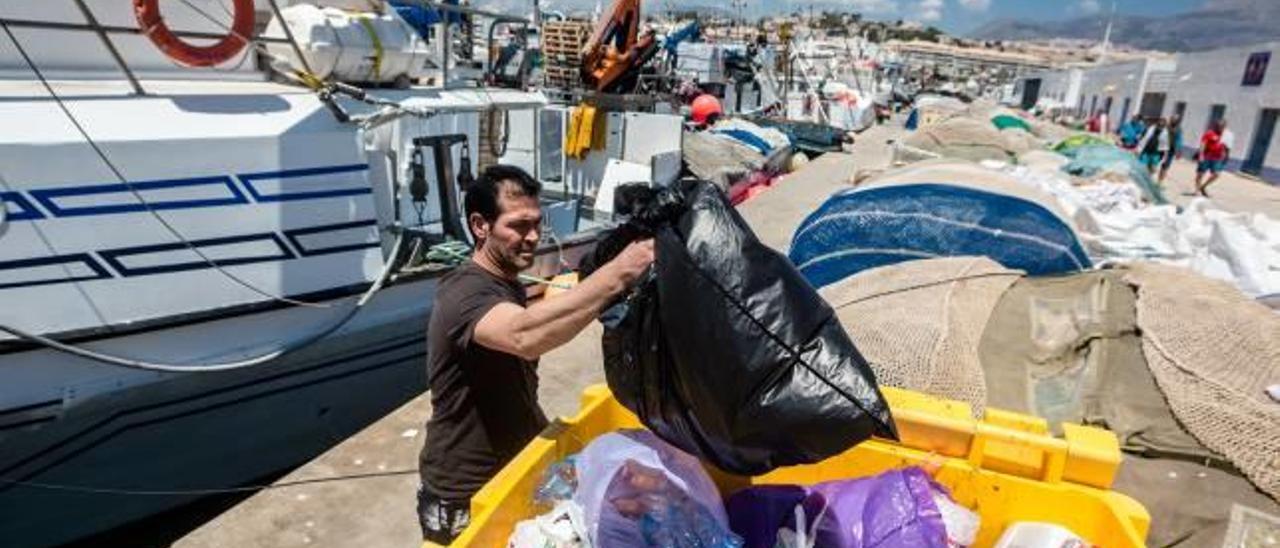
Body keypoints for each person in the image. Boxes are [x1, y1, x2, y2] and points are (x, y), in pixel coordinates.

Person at [417, 165, 654, 543]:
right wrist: (623, 270)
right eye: (518, 225)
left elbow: (516, 380)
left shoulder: (506, 283)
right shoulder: (463, 291)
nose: (531, 237)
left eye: (537, 224)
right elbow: (525, 335)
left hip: (512, 473)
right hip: (465, 494)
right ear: (481, 226)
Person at [1195, 119, 1230, 197]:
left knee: (1216, 174)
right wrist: (1201, 155)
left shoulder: (1225, 136)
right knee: (1200, 174)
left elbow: (1227, 147)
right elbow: (1203, 144)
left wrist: (1226, 156)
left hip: (1217, 158)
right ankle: (1197, 190)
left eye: (1223, 127)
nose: (1221, 128)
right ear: (1216, 126)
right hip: (1206, 156)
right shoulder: (1209, 133)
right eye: (1220, 126)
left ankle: (1203, 187)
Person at [1159, 116, 1184, 183]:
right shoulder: (1166, 127)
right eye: (1172, 119)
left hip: (1171, 150)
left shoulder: (1179, 129)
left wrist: (1179, 151)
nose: (1173, 120)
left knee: (1165, 166)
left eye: (1175, 120)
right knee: (1156, 162)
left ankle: (1160, 181)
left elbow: (1180, 140)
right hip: (1162, 148)